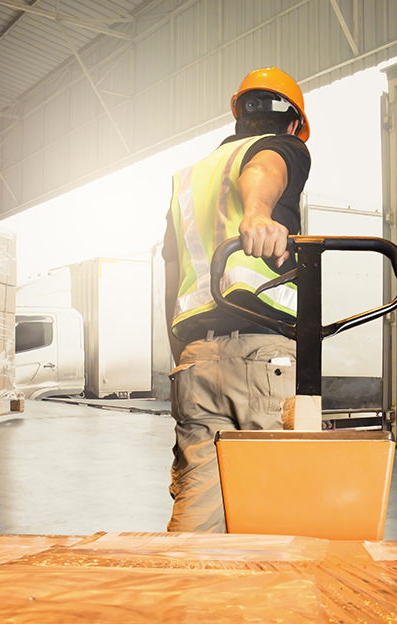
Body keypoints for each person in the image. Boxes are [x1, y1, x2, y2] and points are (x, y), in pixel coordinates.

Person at [162, 67, 311, 532]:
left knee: (199, 507)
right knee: (279, 506)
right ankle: (275, 605)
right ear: (293, 124)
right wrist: (258, 212)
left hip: (195, 359)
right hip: (263, 354)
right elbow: (266, 169)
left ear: (238, 114)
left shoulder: (191, 177)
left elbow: (170, 271)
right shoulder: (284, 148)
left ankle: (189, 596)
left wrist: (181, 354)